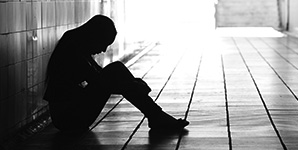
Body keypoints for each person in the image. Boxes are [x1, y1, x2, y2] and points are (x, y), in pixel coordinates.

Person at [43, 15, 189, 133]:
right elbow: (102, 81)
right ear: (94, 36)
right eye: (104, 43)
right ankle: (156, 116)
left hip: (70, 114)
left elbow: (100, 77)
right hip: (69, 119)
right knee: (116, 69)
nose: (104, 50)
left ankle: (156, 116)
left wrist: (134, 83)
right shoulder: (73, 49)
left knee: (116, 69)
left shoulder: (76, 42)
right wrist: (135, 85)